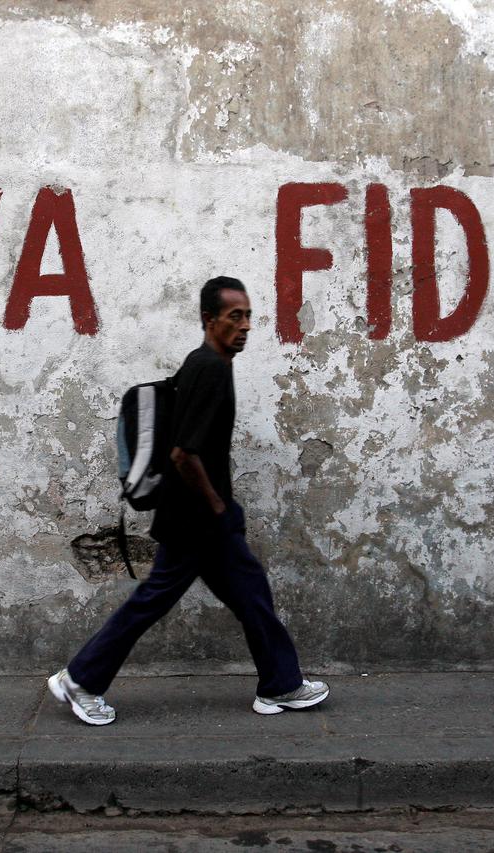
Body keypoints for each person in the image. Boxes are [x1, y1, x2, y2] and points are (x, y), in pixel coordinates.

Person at [48, 276, 329, 725]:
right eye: (234, 316)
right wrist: (219, 509)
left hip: (200, 517)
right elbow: (183, 453)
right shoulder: (210, 368)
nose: (245, 325)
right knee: (155, 601)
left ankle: (280, 684)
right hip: (198, 520)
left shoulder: (206, 362)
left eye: (248, 315)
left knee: (251, 595)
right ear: (209, 319)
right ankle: (79, 679)